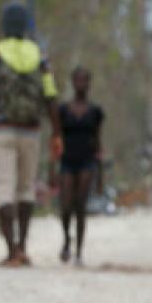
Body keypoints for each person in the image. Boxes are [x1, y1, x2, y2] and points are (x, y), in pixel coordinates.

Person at [0, 3, 63, 267]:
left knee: (3, 189)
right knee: (26, 189)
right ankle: (23, 246)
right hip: (31, 131)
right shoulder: (39, 56)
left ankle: (11, 249)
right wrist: (56, 132)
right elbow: (50, 96)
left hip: (1, 130)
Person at [56, 66, 103, 266]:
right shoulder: (63, 110)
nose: (81, 84)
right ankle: (66, 239)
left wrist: (101, 174)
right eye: (78, 80)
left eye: (85, 80)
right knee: (66, 205)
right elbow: (56, 138)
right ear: (73, 82)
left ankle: (79, 252)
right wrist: (52, 166)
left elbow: (99, 141)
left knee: (80, 205)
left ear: (89, 84)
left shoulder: (95, 112)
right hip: (67, 159)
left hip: (87, 160)